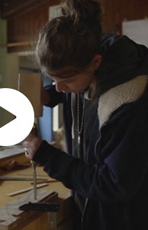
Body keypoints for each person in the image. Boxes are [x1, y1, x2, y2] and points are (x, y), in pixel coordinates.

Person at [23, 0, 148, 229]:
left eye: (66, 81)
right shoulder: (86, 64)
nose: (60, 87)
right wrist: (49, 96)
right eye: (53, 79)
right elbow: (83, 89)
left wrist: (49, 157)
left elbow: (114, 184)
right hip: (89, 205)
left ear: (96, 63)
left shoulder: (129, 101)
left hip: (121, 219)